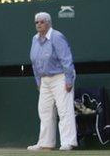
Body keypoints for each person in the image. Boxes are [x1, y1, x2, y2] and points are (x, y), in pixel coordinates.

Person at [28, 12, 77, 151]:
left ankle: (68, 142)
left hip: (60, 76)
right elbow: (34, 62)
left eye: (41, 22)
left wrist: (69, 79)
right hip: (44, 79)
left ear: (48, 23)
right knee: (44, 110)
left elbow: (66, 59)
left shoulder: (57, 36)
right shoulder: (34, 39)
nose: (38, 24)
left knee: (64, 110)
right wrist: (38, 81)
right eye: (36, 22)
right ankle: (45, 143)